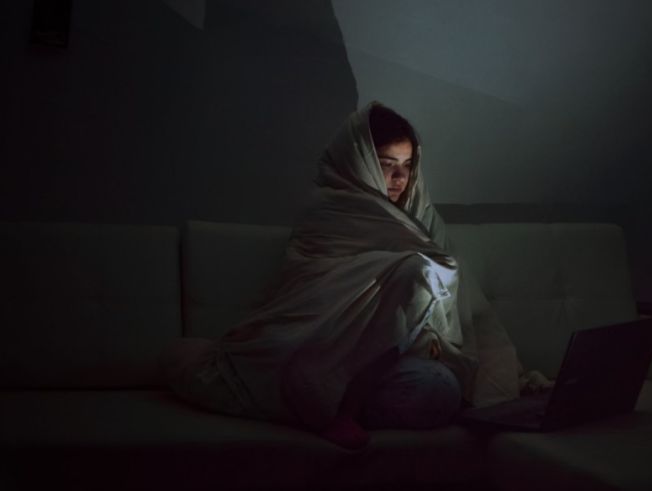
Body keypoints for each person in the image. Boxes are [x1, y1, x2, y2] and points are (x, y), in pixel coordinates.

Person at [158, 101, 551, 450]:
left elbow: (467, 305)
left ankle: (336, 400)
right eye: (385, 165)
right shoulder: (331, 210)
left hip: (394, 363)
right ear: (359, 161)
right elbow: (314, 297)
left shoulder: (421, 215)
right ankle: (334, 405)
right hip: (322, 349)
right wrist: (405, 276)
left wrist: (505, 376)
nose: (399, 179)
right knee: (418, 270)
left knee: (440, 389)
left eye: (407, 166)